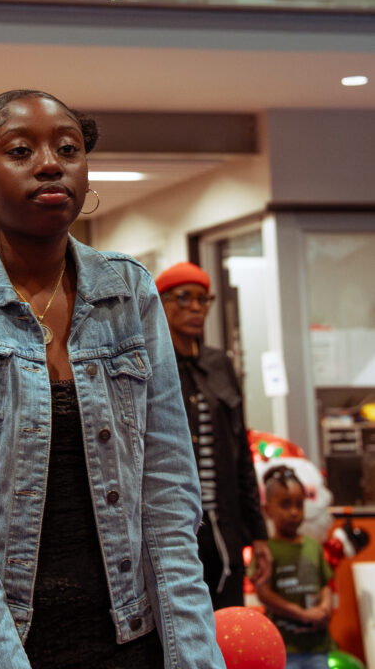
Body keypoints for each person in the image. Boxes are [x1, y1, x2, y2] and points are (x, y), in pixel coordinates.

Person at [0, 89, 225, 669]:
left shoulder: (130, 291)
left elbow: (169, 498)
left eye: (68, 149)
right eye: (20, 150)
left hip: (127, 637)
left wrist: (195, 655)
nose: (50, 164)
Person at [155, 260, 271, 609]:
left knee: (230, 623)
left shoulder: (219, 364)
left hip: (226, 527)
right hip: (174, 530)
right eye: (184, 297)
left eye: (203, 299)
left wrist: (259, 534)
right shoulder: (150, 365)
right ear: (161, 303)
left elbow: (241, 454)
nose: (196, 307)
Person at [256, 465, 334, 668]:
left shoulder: (313, 545)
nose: (294, 512)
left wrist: (324, 607)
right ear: (267, 510)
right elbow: (263, 593)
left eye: (299, 504)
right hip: (285, 647)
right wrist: (301, 613)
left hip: (318, 646)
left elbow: (325, 584)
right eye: (285, 505)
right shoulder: (266, 550)